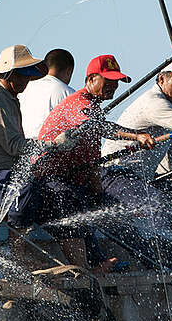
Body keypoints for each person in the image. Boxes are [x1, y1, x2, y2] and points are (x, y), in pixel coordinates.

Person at [37, 54, 157, 268]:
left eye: (116, 82)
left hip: (75, 179)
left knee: (109, 210)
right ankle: (88, 269)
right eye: (108, 80)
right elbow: (99, 128)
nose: (113, 86)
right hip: (51, 180)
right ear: (91, 79)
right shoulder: (79, 104)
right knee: (74, 207)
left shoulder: (93, 107)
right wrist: (136, 136)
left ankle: (151, 261)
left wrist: (96, 187)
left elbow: (91, 156)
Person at [0, 45, 70, 262]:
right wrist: (52, 143)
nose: (27, 82)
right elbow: (14, 146)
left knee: (57, 196)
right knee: (23, 189)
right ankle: (18, 256)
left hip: (7, 173)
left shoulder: (9, 97)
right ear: (10, 74)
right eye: (23, 77)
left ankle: (74, 262)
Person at [19, 48, 76, 138]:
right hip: (49, 148)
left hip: (22, 146)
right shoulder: (69, 94)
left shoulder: (24, 87)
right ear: (69, 71)